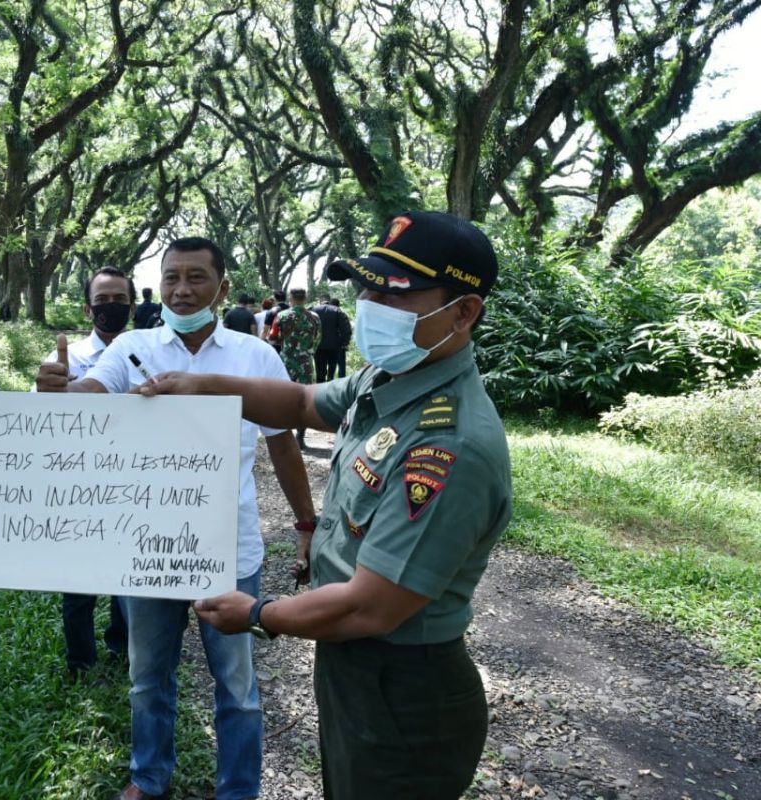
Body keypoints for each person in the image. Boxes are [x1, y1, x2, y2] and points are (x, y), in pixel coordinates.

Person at [139, 211, 511, 799]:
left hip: (403, 686)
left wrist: (258, 614)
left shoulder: (447, 444)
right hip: (358, 669)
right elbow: (304, 402)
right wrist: (203, 386)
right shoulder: (389, 378)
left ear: (463, 312)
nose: (371, 306)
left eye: (395, 294)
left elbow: (370, 609)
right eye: (366, 289)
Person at [36, 237, 317, 800]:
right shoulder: (134, 347)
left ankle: (238, 789)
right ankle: (148, 777)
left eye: (196, 277)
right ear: (156, 284)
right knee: (147, 679)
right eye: (171, 278)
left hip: (229, 548)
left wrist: (306, 524)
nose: (182, 290)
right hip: (145, 548)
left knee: (237, 687)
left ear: (223, 287)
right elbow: (89, 397)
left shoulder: (254, 355)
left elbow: (283, 447)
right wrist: (56, 392)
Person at [39, 267, 135, 677]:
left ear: (131, 306)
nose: (110, 308)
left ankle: (123, 647)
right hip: (78, 488)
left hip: (135, 484)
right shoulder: (66, 360)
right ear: (87, 308)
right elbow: (37, 421)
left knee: (128, 577)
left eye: (119, 300)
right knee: (77, 582)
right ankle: (80, 661)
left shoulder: (149, 355)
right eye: (102, 301)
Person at [273, 289, 320, 447]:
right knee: (304, 399)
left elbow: (273, 337)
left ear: (290, 298)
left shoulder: (282, 316)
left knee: (282, 398)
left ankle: (283, 436)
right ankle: (300, 436)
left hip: (286, 361)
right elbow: (318, 339)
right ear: (306, 298)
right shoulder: (314, 317)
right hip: (306, 362)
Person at [312, 294, 351, 382]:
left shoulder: (314, 310)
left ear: (320, 301)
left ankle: (319, 388)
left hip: (318, 346)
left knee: (320, 370)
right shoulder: (337, 310)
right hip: (334, 346)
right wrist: (345, 343)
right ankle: (330, 383)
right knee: (332, 369)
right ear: (329, 300)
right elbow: (346, 328)